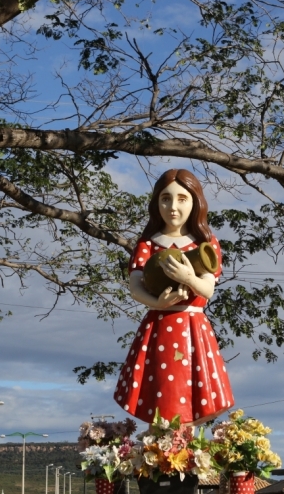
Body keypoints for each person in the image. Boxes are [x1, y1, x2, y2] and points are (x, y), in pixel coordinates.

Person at [113, 169, 234, 424]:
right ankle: (162, 451)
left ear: (195, 202)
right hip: (159, 329)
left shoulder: (206, 243)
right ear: (157, 203)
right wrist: (157, 303)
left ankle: (185, 450)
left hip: (193, 329)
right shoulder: (148, 244)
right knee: (161, 394)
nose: (173, 207)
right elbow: (136, 286)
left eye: (182, 199)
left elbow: (207, 289)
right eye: (166, 199)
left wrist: (188, 278)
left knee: (192, 393)